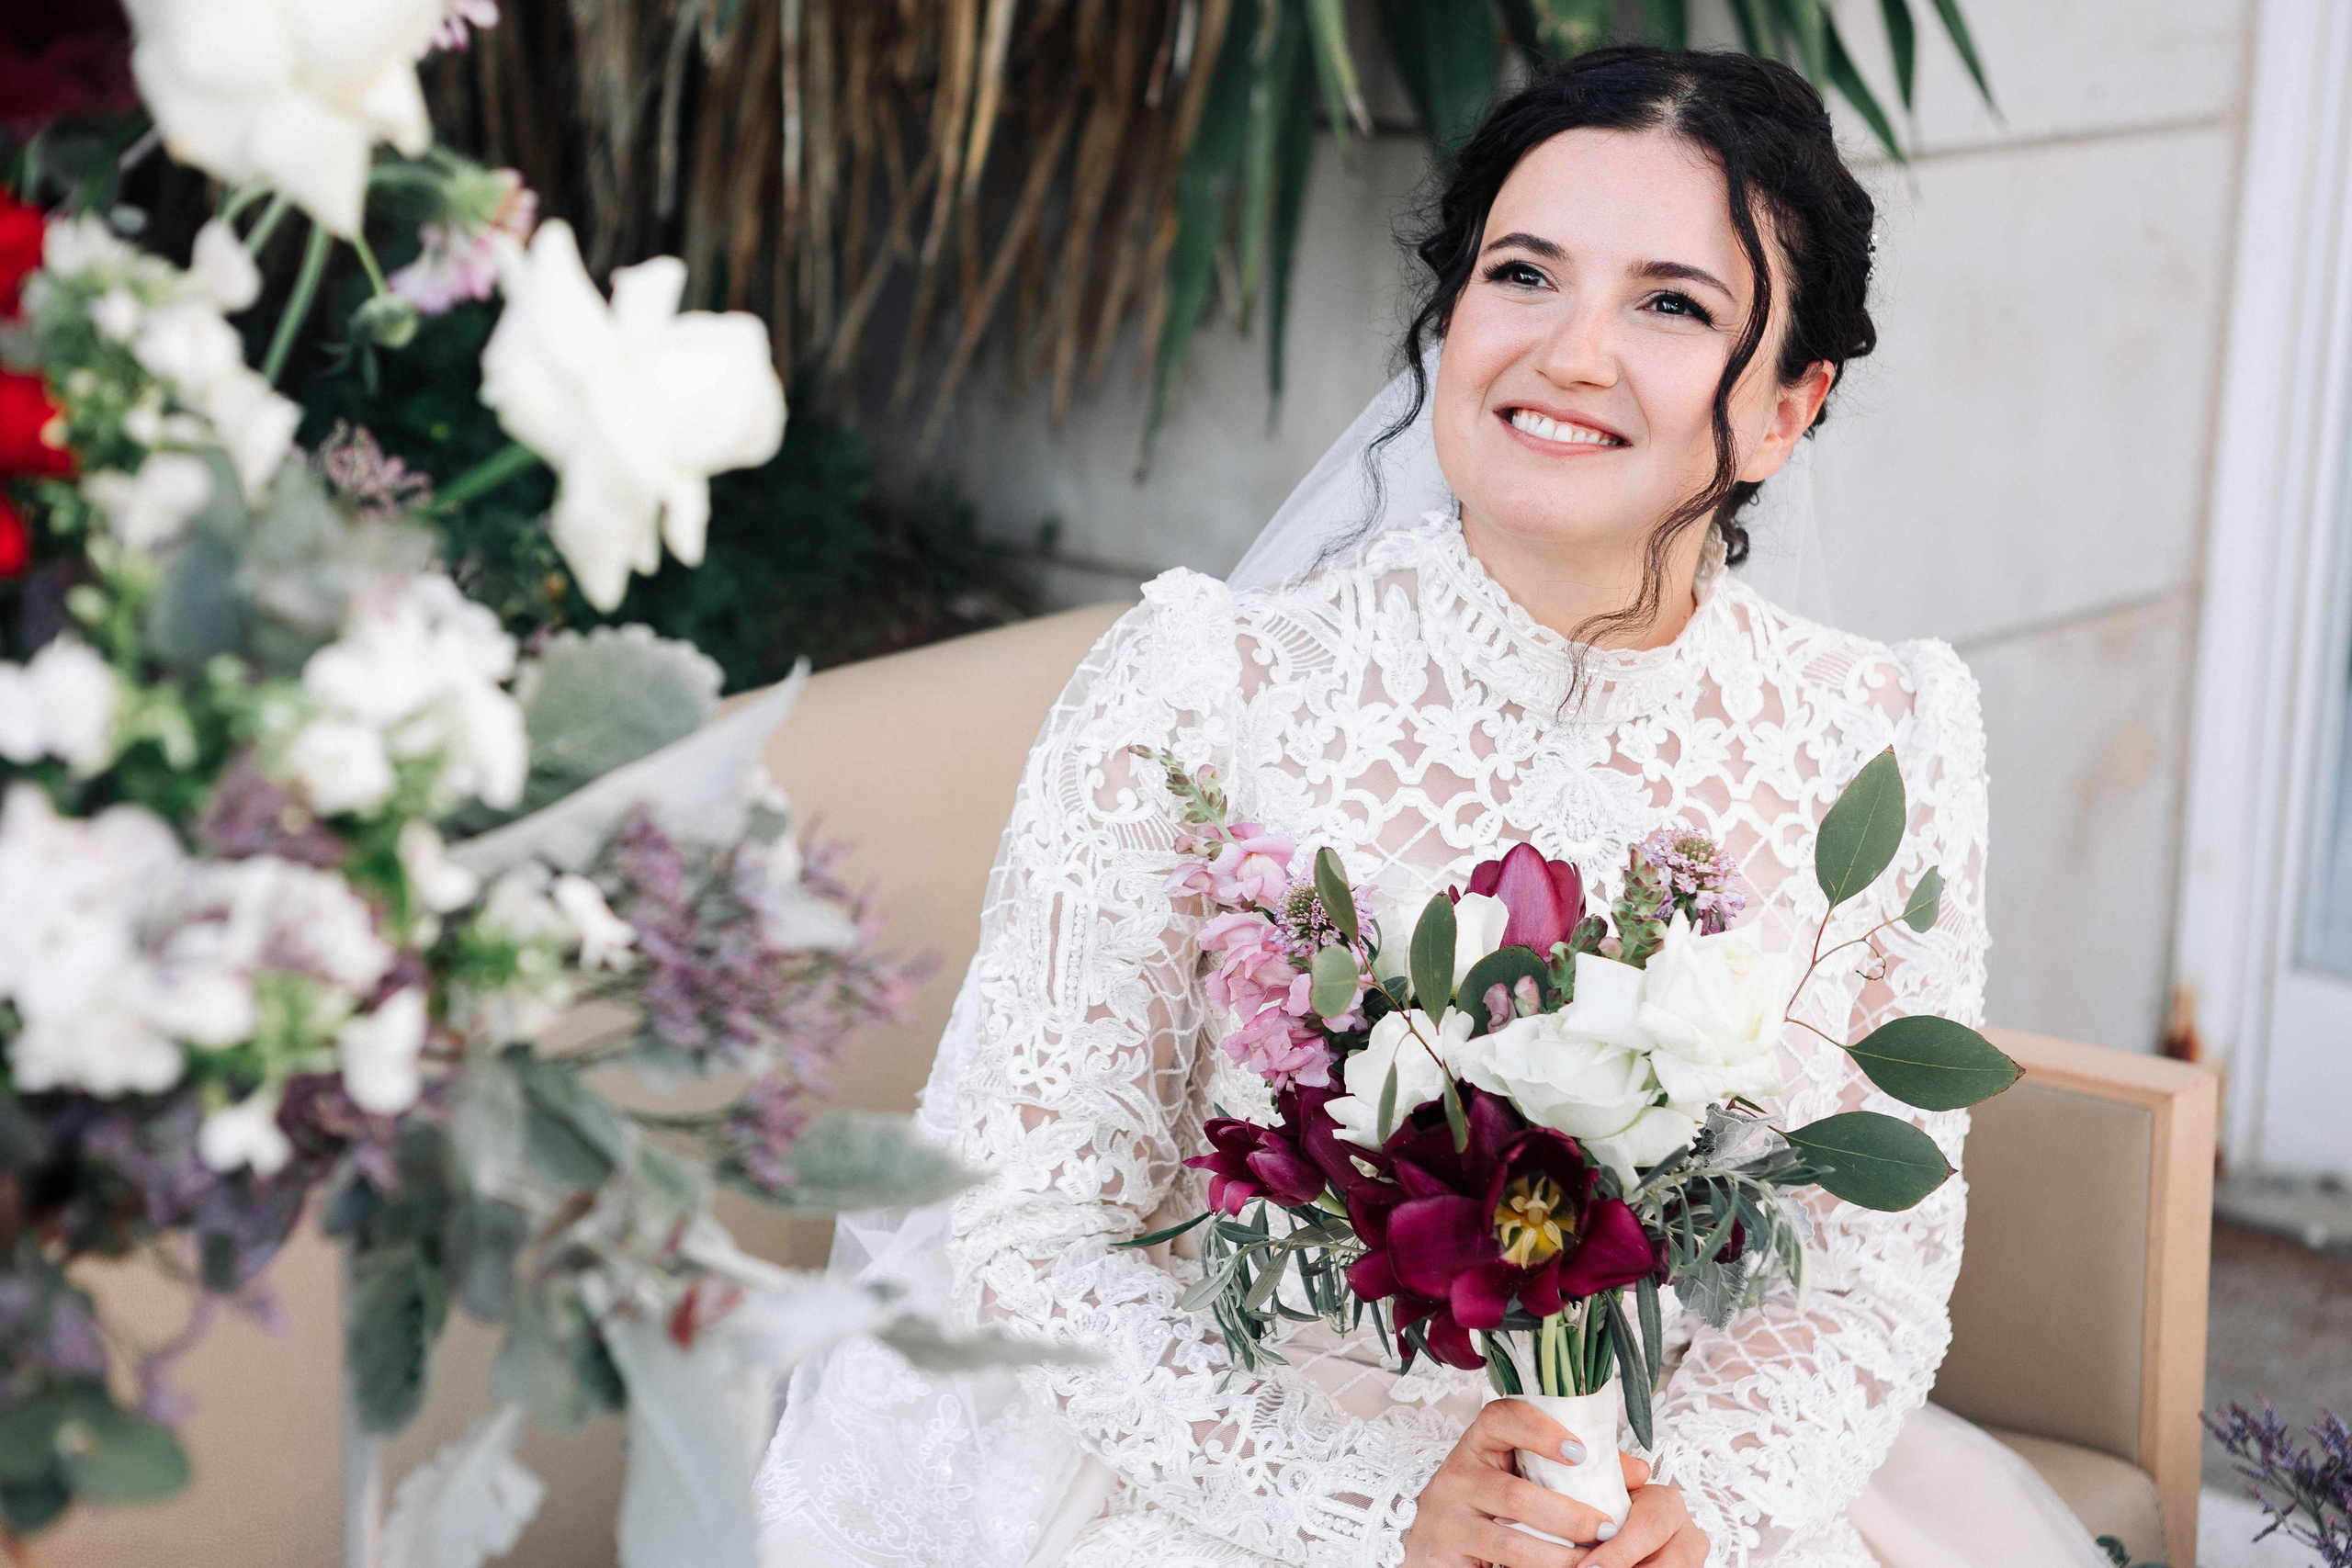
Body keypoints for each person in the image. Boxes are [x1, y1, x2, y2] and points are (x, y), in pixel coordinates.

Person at [759, 45, 2113, 1568]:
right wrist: (1376, 1515)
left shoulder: (1885, 737)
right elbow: (1035, 1231)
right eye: (1522, 274)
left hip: (1667, 1500)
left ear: (1789, 407)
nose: (1571, 353)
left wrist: (1689, 1513)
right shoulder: (1206, 687)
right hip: (1252, 1488)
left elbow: (1864, 1278)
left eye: (1672, 305)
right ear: (1451, 315)